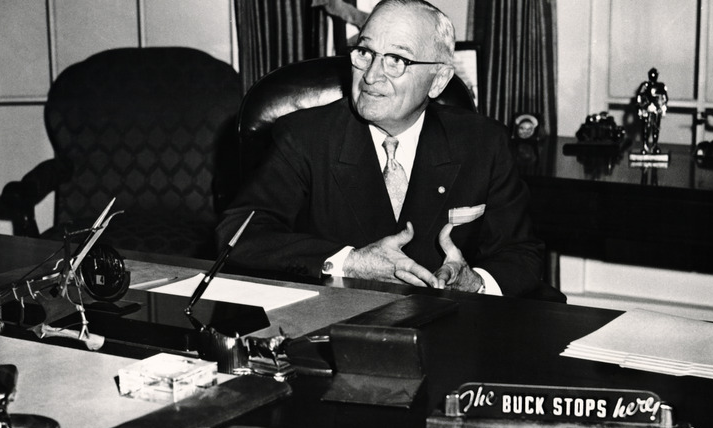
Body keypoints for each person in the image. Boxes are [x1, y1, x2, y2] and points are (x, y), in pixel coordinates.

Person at [216, 0, 544, 298]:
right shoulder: (304, 136)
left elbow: (521, 255)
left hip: (447, 331)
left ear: (438, 79)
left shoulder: (483, 142)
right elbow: (238, 236)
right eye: (365, 52)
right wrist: (350, 263)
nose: (371, 76)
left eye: (397, 60)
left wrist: (475, 282)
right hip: (336, 326)